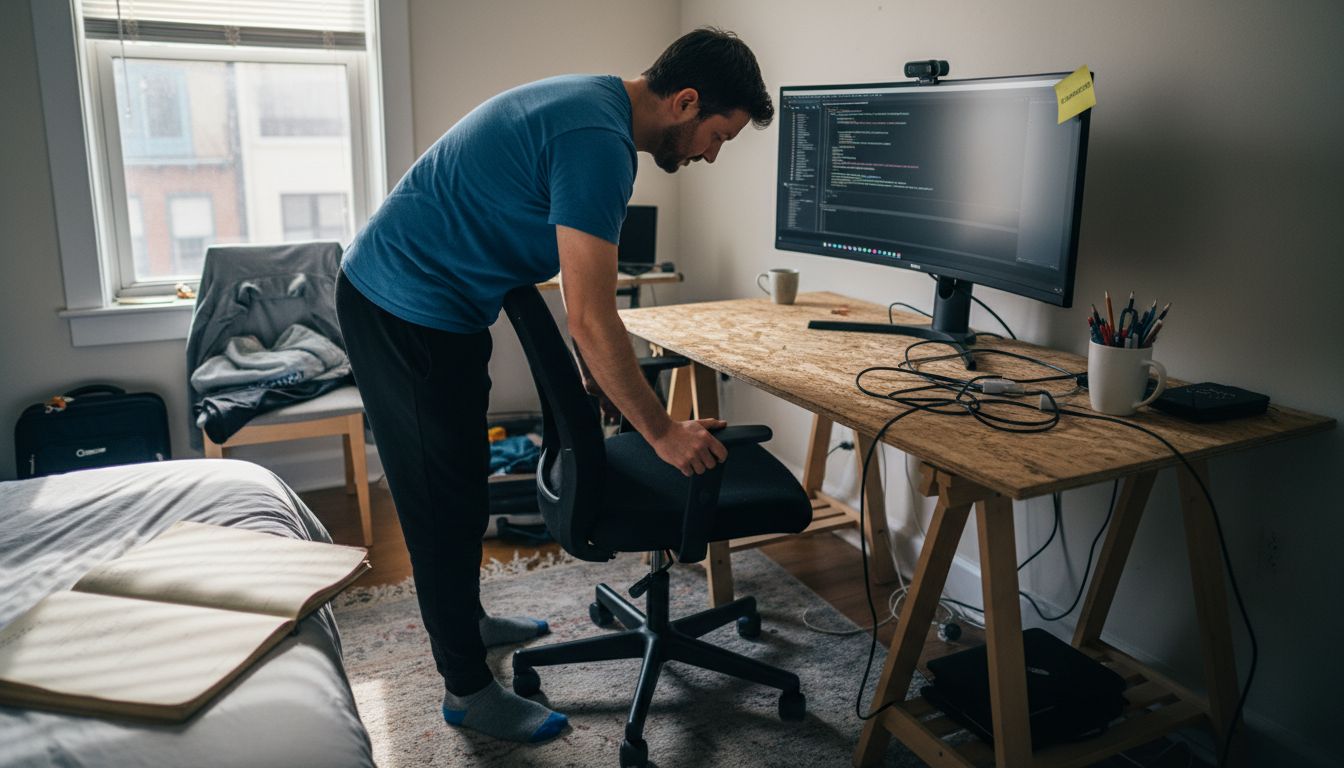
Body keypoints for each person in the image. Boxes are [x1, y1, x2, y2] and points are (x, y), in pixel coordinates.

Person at [334, 27, 773, 744]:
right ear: (686, 101)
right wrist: (662, 433)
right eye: (717, 135)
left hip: (444, 304)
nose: (711, 154)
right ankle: (467, 691)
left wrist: (599, 375)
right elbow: (593, 316)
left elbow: (580, 304)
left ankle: (469, 621)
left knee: (464, 477)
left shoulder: (596, 109)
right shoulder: (597, 143)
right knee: (437, 501)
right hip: (399, 304)